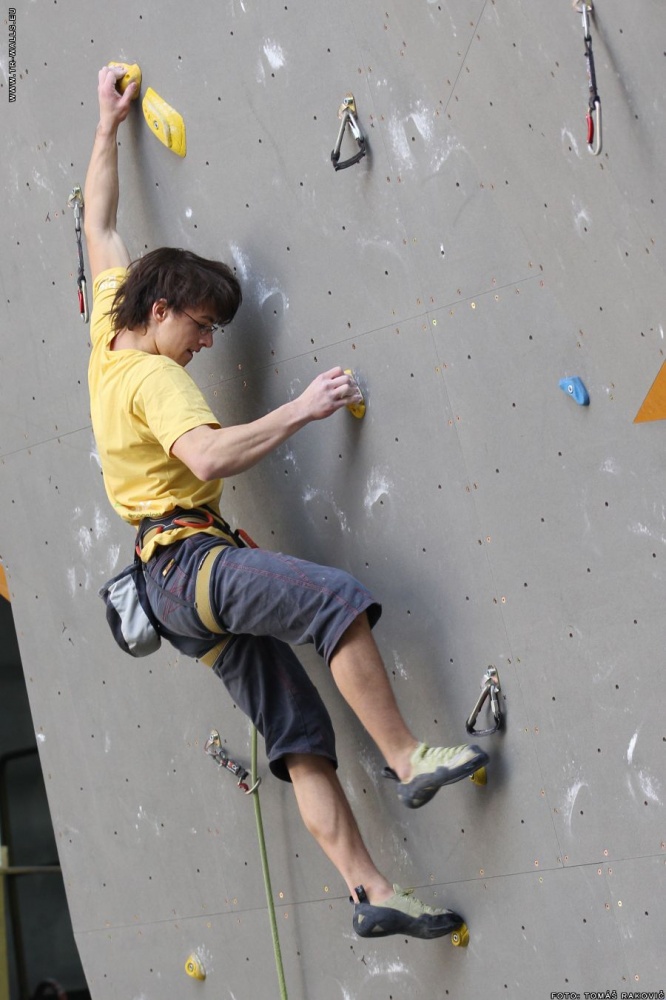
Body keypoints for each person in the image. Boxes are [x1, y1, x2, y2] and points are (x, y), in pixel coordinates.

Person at [84, 65, 489, 941]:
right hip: (191, 564)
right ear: (163, 311)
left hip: (170, 590)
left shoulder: (109, 335)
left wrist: (108, 126)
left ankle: (370, 891)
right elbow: (207, 452)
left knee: (296, 732)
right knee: (332, 602)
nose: (205, 343)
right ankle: (406, 757)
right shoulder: (154, 378)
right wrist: (302, 409)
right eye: (201, 326)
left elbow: (100, 223)